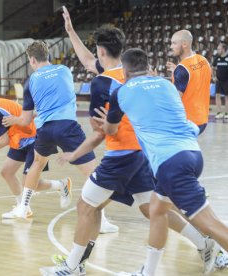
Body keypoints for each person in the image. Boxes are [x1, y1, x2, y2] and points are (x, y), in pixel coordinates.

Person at [39, 8, 227, 276]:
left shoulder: (103, 84)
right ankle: (204, 245)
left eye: (96, 52)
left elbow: (102, 130)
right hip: (149, 154)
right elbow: (89, 60)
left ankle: (72, 266)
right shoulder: (146, 78)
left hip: (121, 156)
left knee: (86, 205)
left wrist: (77, 150)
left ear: (101, 53)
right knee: (153, 209)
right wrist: (70, 32)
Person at [97, 48, 228, 276]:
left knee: (208, 224)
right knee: (157, 209)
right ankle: (148, 272)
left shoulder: (121, 91)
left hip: (171, 163)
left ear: (125, 72)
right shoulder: (167, 84)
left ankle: (216, 251)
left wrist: (104, 123)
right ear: (148, 67)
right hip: (192, 153)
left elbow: (111, 129)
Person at [2, 40, 118, 233]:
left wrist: (12, 120)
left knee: (37, 165)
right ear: (46, 55)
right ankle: (102, 221)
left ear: (31, 60)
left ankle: (23, 208)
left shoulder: (30, 82)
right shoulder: (64, 70)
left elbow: (25, 120)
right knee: (92, 173)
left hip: (45, 130)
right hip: (67, 127)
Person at [0, 82, 72, 218]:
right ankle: (23, 207)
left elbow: (4, 141)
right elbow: (1, 134)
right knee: (6, 172)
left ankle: (61, 184)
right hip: (20, 140)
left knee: (29, 183)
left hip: (36, 138)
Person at [166, 30, 212, 134]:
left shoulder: (182, 69)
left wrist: (156, 82)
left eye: (174, 43)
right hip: (202, 119)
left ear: (185, 44)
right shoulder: (204, 60)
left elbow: (174, 99)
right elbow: (195, 80)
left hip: (187, 121)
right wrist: (176, 71)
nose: (171, 46)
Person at [212, 43, 228, 120]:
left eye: (219, 49)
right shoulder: (216, 58)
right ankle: (219, 112)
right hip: (218, 80)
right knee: (217, 95)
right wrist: (214, 76)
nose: (217, 50)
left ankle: (226, 113)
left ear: (223, 49)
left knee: (227, 97)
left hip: (227, 81)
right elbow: (212, 67)